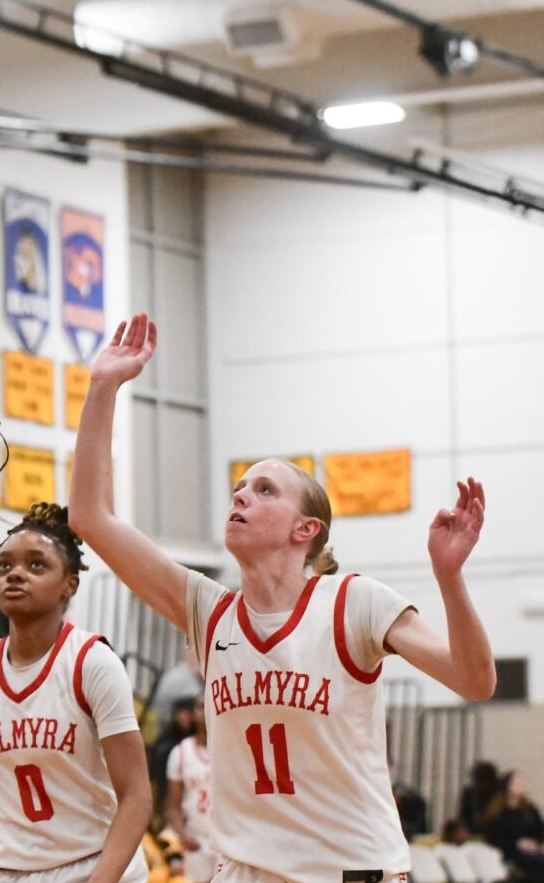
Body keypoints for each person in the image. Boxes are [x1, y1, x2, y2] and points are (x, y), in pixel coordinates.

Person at [68, 313, 496, 881]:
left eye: (264, 490)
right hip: (243, 869)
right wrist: (102, 387)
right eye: (238, 489)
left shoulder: (353, 603)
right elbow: (90, 517)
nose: (240, 497)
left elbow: (475, 682)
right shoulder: (209, 610)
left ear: (306, 530)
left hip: (348, 869)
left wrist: (450, 578)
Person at [0, 503, 151, 883]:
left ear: (69, 585)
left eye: (36, 565)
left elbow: (136, 797)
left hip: (92, 866)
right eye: (5, 566)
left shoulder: (92, 663)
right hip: (5, 870)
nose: (16, 575)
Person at [164, 695, 213, 882]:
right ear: (193, 714)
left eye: (209, 705)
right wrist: (182, 835)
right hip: (196, 839)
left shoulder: (232, 748)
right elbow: (172, 804)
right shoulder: (181, 752)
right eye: (200, 706)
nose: (205, 711)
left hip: (226, 842)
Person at [483, 770, 544, 881]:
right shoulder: (498, 812)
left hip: (531, 852)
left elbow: (540, 830)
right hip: (509, 852)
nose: (521, 785)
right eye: (517, 782)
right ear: (508, 787)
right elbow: (493, 838)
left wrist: (534, 843)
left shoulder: (530, 809)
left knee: (538, 864)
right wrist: (518, 843)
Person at [460, 760, 500, 836]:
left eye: (483, 782)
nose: (480, 786)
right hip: (473, 834)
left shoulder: (500, 793)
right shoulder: (470, 793)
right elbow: (463, 817)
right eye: (477, 782)